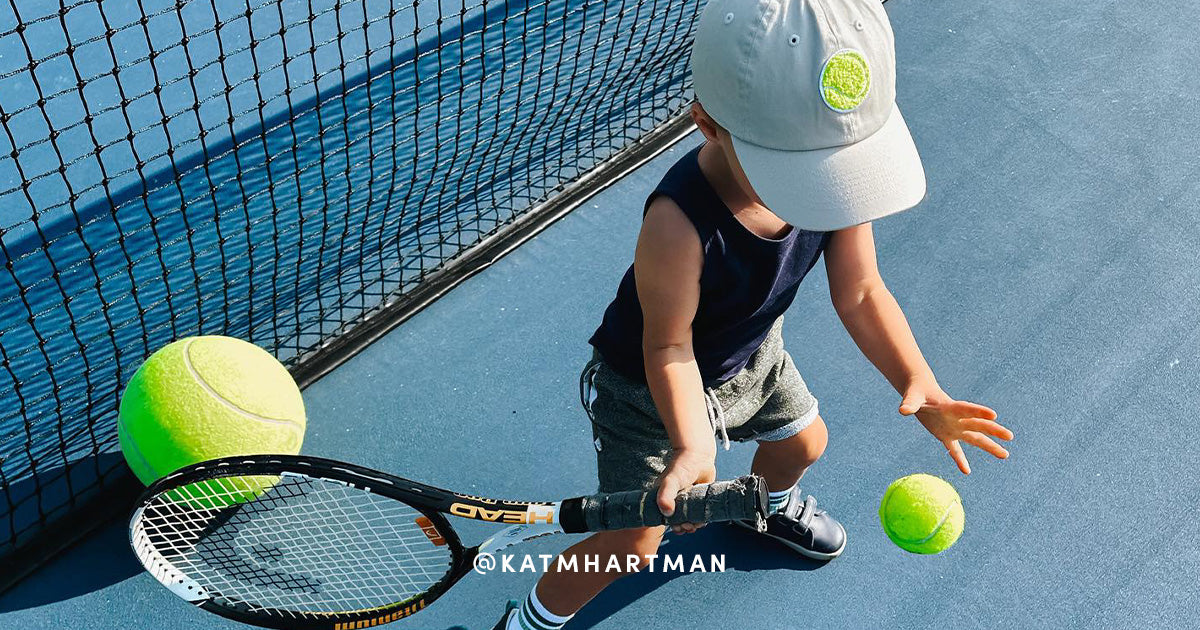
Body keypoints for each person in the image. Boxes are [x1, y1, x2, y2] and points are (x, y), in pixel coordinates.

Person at [495, 0, 1013, 628]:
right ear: (708, 125)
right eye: (801, 166)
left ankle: (759, 507)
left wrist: (918, 382)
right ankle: (532, 617)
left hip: (752, 355)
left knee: (804, 443)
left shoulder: (834, 177)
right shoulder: (677, 223)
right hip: (648, 392)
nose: (825, 187)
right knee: (631, 544)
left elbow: (862, 291)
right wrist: (691, 445)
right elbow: (668, 347)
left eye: (834, 163)